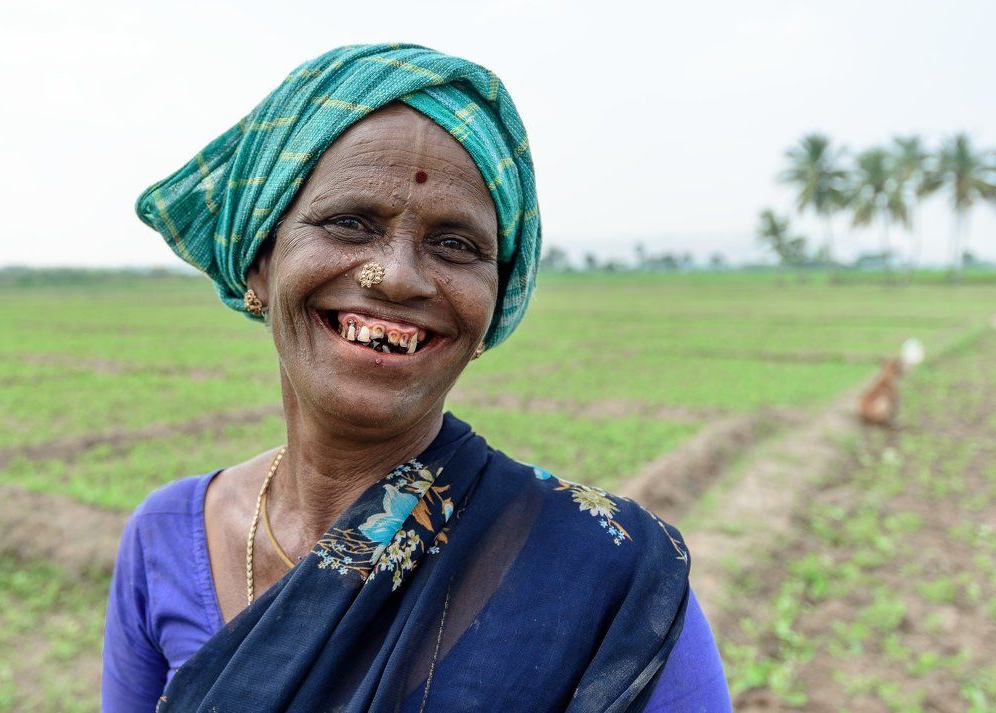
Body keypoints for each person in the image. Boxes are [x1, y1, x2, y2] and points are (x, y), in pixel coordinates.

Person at [102, 44, 732, 712]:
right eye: (350, 223)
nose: (398, 275)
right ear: (260, 262)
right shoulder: (164, 537)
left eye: (456, 244)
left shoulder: (612, 577)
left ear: (494, 303)